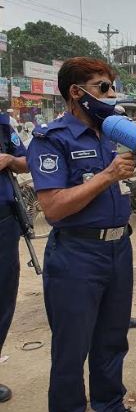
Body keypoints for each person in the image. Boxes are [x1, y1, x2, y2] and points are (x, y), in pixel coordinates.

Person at [26, 57, 136, 412]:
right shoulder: (52, 139)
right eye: (103, 87)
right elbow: (54, 208)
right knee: (72, 346)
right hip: (77, 254)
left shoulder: (112, 133)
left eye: (112, 87)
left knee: (112, 339)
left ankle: (110, 404)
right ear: (76, 92)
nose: (111, 94)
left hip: (119, 247)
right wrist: (107, 175)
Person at [0, 112, 29, 404]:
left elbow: (27, 162)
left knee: (3, 299)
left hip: (3, 225)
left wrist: (9, 160)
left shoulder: (2, 125)